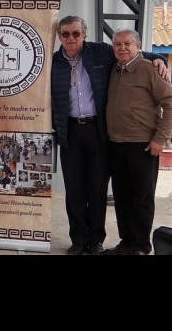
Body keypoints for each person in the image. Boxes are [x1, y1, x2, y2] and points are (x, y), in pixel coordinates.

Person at [51, 15, 168, 255]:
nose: (71, 38)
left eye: (75, 33)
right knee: (74, 190)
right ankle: (79, 240)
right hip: (71, 132)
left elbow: (132, 50)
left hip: (99, 132)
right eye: (65, 34)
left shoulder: (100, 52)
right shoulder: (53, 62)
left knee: (98, 189)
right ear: (59, 36)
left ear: (84, 34)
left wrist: (157, 58)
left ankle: (97, 241)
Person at [104, 28, 172, 255]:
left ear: (138, 46)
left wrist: (159, 139)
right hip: (116, 144)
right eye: (117, 44)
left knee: (142, 199)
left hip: (142, 145)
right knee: (122, 198)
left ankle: (141, 246)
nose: (122, 48)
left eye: (127, 44)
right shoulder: (114, 69)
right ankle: (127, 243)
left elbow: (170, 103)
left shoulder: (148, 70)